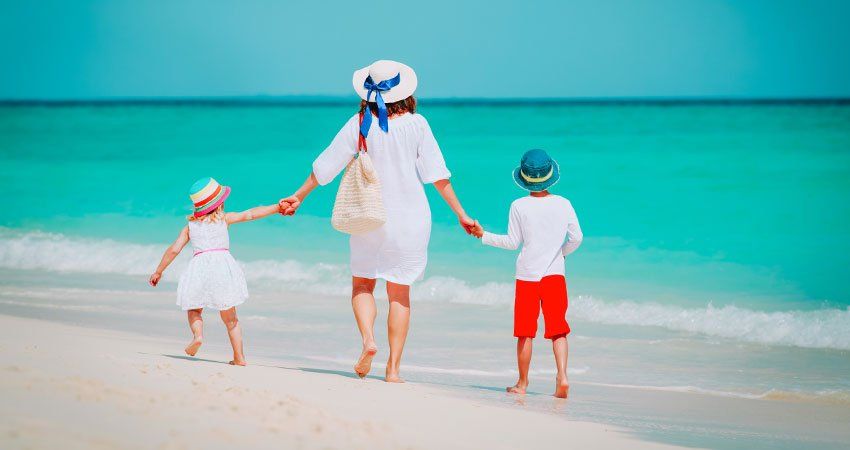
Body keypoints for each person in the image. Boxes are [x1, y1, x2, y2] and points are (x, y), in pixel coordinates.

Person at [279, 60, 476, 382]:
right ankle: (393, 370)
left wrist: (298, 196)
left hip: (369, 216)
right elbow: (437, 176)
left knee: (362, 284)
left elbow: (326, 166)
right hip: (411, 219)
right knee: (400, 294)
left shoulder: (360, 122)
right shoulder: (418, 124)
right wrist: (461, 215)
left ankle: (369, 341)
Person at [470, 149, 582, 398]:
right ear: (551, 174)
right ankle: (562, 376)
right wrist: (560, 254)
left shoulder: (518, 205)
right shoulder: (564, 204)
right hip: (555, 276)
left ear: (524, 177)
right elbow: (577, 238)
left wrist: (483, 235)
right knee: (558, 330)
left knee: (525, 332)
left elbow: (512, 242)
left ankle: (522, 383)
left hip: (528, 277)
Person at [149, 177, 284, 366]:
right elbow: (251, 214)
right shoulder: (224, 219)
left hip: (199, 269)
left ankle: (198, 336)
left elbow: (174, 249)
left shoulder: (189, 227)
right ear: (219, 203)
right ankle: (239, 357)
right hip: (222, 268)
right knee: (231, 319)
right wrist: (277, 208)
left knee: (194, 309)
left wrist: (159, 271)